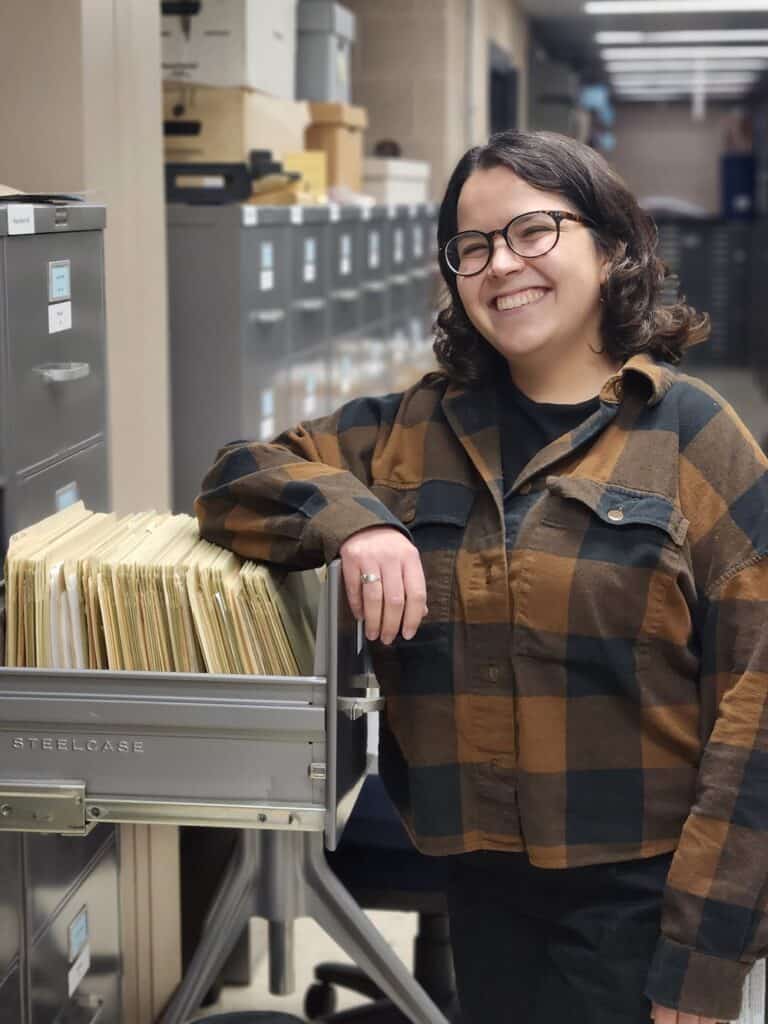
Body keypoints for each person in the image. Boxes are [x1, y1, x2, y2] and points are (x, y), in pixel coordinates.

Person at [195, 130, 768, 1024]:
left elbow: (756, 717)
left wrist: (703, 963)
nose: (503, 265)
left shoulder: (694, 439)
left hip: (638, 902)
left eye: (535, 231)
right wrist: (358, 522)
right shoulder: (415, 428)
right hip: (480, 881)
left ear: (613, 247)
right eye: (474, 246)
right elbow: (236, 475)